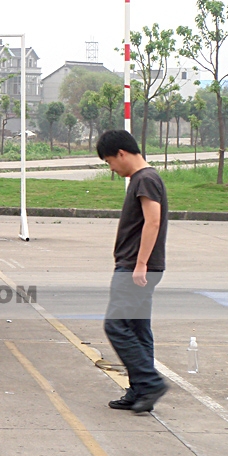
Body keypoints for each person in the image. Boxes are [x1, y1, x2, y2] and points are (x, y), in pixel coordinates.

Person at [96, 130, 170, 413]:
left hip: (136, 268)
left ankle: (149, 383)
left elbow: (153, 222)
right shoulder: (143, 179)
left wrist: (140, 265)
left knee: (115, 326)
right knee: (138, 329)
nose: (112, 169)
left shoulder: (145, 179)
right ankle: (140, 391)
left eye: (110, 162)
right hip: (139, 266)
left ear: (122, 153)